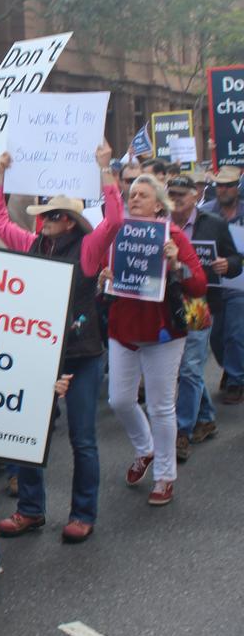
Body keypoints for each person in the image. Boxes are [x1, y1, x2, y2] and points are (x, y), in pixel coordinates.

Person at [0, 145, 123, 542]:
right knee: (29, 434)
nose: (46, 220)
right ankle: (30, 509)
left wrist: (105, 169)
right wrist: (0, 174)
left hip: (80, 355)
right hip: (39, 356)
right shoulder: (28, 244)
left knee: (82, 438)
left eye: (55, 216)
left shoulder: (87, 250)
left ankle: (83, 512)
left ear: (70, 223)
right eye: (44, 215)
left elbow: (114, 220)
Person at [103, 174, 206, 506]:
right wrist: (104, 277)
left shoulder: (172, 235)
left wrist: (176, 263)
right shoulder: (117, 234)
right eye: (132, 194)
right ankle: (145, 448)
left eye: (142, 195)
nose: (134, 199)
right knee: (119, 400)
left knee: (161, 407)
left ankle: (164, 476)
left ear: (159, 204)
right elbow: (99, 274)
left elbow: (199, 286)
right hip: (124, 329)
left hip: (163, 333)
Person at [167, 173, 241, 458]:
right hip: (168, 303)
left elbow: (235, 259)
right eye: (170, 193)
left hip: (198, 302)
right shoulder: (162, 224)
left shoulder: (214, 224)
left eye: (181, 194)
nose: (174, 199)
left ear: (196, 196)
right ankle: (206, 418)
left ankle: (182, 430)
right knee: (189, 368)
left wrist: (227, 265)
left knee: (189, 366)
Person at [202, 165, 244, 404]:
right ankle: (231, 367)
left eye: (228, 185)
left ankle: (236, 381)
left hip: (240, 284)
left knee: (235, 333)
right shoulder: (206, 212)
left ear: (237, 187)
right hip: (214, 285)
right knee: (216, 337)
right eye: (220, 185)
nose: (224, 189)